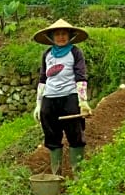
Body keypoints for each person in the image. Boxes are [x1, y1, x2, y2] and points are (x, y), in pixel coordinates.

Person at [33, 19, 92, 176]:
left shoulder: (75, 52)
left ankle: (78, 174)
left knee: (75, 134)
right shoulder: (47, 54)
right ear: (52, 37)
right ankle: (56, 173)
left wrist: (83, 101)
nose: (61, 37)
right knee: (51, 135)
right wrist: (38, 104)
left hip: (69, 97)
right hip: (49, 98)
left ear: (70, 36)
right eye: (57, 34)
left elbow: (80, 77)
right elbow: (42, 80)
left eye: (64, 34)